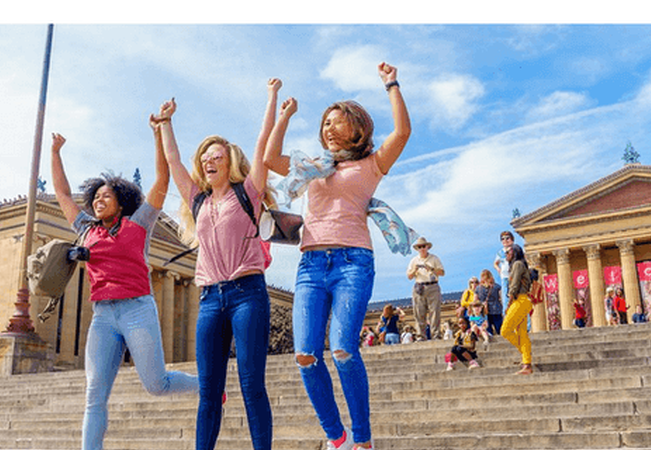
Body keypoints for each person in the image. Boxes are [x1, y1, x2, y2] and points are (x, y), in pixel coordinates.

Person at [263, 62, 411, 450]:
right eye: (325, 123)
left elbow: (403, 132)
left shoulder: (372, 164)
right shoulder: (312, 168)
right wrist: (284, 114)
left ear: (357, 127)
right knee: (305, 356)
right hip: (311, 265)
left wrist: (391, 84)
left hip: (353, 263)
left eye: (336, 121)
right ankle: (337, 437)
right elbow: (268, 158)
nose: (328, 128)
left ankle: (363, 439)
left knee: (343, 348)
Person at [50, 130, 198, 450]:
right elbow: (62, 194)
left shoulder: (139, 224)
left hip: (137, 309)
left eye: (106, 196)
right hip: (103, 316)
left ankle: (208, 388)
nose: (99, 201)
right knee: (94, 393)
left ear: (121, 202)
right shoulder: (86, 228)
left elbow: (161, 180)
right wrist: (56, 153)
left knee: (156, 385)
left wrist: (158, 134)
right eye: (96, 197)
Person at [158, 79, 282, 450]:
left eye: (217, 157)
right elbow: (174, 162)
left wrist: (272, 97)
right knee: (209, 392)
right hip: (210, 299)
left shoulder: (249, 193)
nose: (209, 161)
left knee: (251, 384)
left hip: (248, 295)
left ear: (230, 162)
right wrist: (166, 123)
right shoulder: (197, 200)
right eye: (206, 158)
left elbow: (262, 145)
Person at [501, 244, 533, 375]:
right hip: (522, 300)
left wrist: (509, 301)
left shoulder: (517, 265)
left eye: (508, 252)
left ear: (514, 252)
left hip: (519, 299)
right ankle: (526, 362)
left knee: (505, 330)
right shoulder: (518, 265)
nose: (506, 255)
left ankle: (526, 356)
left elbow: (514, 284)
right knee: (521, 334)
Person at [407, 236, 446, 340]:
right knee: (419, 312)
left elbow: (442, 272)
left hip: (432, 285)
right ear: (417, 249)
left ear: (427, 247)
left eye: (423, 246)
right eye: (419, 247)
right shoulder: (414, 260)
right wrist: (415, 270)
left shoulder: (434, 258)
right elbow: (409, 276)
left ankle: (436, 335)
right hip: (419, 286)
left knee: (435, 312)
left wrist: (431, 269)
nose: (422, 248)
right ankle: (420, 336)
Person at [477, 269, 503, 335]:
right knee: (500, 329)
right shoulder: (497, 287)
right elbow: (502, 298)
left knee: (488, 331)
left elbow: (475, 301)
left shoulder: (478, 288)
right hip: (496, 310)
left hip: (484, 312)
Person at [493, 231, 515, 311]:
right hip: (505, 276)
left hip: (514, 275)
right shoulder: (500, 252)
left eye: (507, 238)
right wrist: (499, 270)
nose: (505, 240)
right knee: (506, 297)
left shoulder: (515, 249)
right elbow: (495, 263)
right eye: (502, 239)